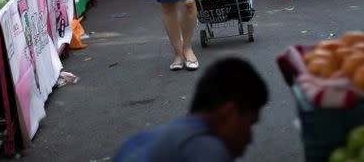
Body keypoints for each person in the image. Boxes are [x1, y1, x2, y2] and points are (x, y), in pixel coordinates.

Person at [114, 57, 269, 161]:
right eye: (249, 123)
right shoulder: (207, 151)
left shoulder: (140, 141)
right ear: (230, 113)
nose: (250, 138)